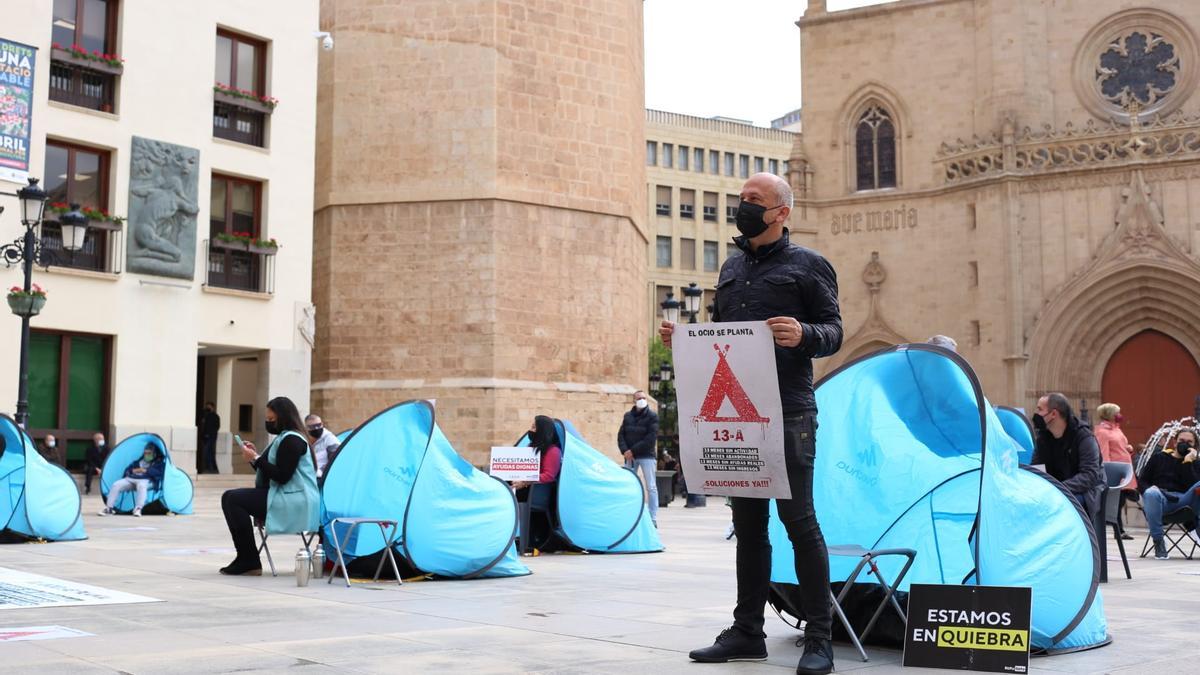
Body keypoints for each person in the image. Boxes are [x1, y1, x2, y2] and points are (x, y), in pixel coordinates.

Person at [663, 172, 842, 675]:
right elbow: (725, 336)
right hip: (740, 417)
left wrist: (804, 332)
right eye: (741, 198)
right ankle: (747, 631)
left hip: (788, 411)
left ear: (781, 212)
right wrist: (684, 338)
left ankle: (819, 638)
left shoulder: (810, 265)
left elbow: (834, 332)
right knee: (748, 526)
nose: (742, 206)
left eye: (753, 200)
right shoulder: (732, 266)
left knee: (800, 524)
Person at [219, 397, 320, 576]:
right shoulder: (283, 438)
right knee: (229, 497)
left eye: (272, 420)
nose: (268, 423)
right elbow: (269, 470)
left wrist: (256, 459)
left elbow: (282, 476)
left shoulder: (292, 440)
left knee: (233, 499)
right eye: (267, 419)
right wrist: (255, 457)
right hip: (284, 495)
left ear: (284, 417)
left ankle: (248, 559)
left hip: (295, 499)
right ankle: (245, 557)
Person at [1032, 393, 1105, 522]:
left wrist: (1059, 488)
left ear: (1053, 414)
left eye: (1040, 409)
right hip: (1055, 490)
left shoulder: (1084, 436)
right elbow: (1036, 469)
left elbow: (1089, 475)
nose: (1036, 414)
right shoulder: (1043, 438)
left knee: (1061, 505)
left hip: (1085, 492)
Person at [1138, 428, 1200, 560]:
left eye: (1189, 442)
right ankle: (1159, 542)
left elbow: (1193, 484)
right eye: (1181, 441)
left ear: (1195, 446)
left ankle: (1197, 527)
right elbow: (1142, 481)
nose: (1185, 444)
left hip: (1185, 501)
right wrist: (1151, 489)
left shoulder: (1196, 463)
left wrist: (1188, 461)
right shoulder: (1159, 458)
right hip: (1162, 500)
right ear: (1174, 442)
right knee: (1151, 493)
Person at [1095, 403, 1136, 539]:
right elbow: (1103, 453)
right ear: (1109, 414)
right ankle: (1119, 530)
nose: (1119, 415)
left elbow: (1120, 445)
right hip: (1115, 472)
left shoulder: (1117, 429)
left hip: (1125, 469)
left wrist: (1128, 448)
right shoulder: (1102, 432)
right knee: (1117, 502)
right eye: (1117, 412)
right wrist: (1107, 473)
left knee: (1121, 501)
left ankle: (1119, 529)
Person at [618, 390, 659, 526]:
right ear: (634, 401)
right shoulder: (627, 416)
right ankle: (629, 514)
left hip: (646, 455)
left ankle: (653, 517)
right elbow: (621, 435)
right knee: (628, 485)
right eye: (639, 398)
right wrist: (625, 451)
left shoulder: (652, 416)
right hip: (630, 456)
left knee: (651, 487)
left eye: (643, 397)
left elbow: (650, 438)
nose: (641, 400)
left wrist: (632, 451)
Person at [98, 442, 165, 517]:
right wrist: (134, 471)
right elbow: (128, 470)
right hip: (132, 479)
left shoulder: (159, 463)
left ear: (155, 453)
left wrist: (144, 470)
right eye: (145, 453)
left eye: (149, 453)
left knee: (141, 486)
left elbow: (158, 473)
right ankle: (109, 508)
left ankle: (138, 508)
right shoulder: (138, 462)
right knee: (116, 485)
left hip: (147, 481)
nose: (146, 455)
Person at [513, 415, 563, 505]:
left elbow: (548, 476)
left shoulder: (553, 451)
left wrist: (525, 482)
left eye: (534, 427)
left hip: (536, 491)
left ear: (542, 431)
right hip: (524, 485)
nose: (531, 430)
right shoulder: (531, 447)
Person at [305, 414, 340, 479]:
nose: (316, 428)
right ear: (306, 428)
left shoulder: (330, 439)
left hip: (323, 477)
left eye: (318, 425)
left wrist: (320, 472)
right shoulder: (305, 439)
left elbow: (334, 461)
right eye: (312, 426)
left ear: (322, 424)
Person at [200, 402, 220, 474]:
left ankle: (210, 468)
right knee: (210, 452)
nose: (207, 408)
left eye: (208, 406)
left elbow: (216, 427)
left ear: (212, 407)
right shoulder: (206, 415)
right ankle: (213, 468)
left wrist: (209, 434)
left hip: (211, 437)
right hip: (207, 437)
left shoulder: (215, 416)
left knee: (207, 452)